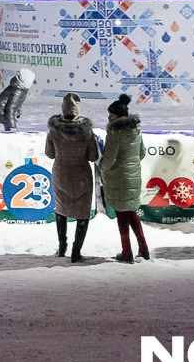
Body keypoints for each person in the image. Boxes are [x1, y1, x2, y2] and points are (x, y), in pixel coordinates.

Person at [44, 92, 100, 262]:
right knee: (82, 213)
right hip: (82, 177)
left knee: (61, 210)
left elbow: (49, 154)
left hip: (61, 175)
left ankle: (62, 247)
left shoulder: (54, 131)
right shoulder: (87, 132)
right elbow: (92, 157)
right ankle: (77, 251)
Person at [99, 93, 148, 263]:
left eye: (111, 115)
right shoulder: (136, 129)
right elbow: (141, 152)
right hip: (134, 177)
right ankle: (143, 248)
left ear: (118, 116)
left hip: (119, 178)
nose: (108, 118)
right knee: (131, 213)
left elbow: (110, 159)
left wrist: (101, 167)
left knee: (122, 216)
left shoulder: (115, 133)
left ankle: (127, 252)